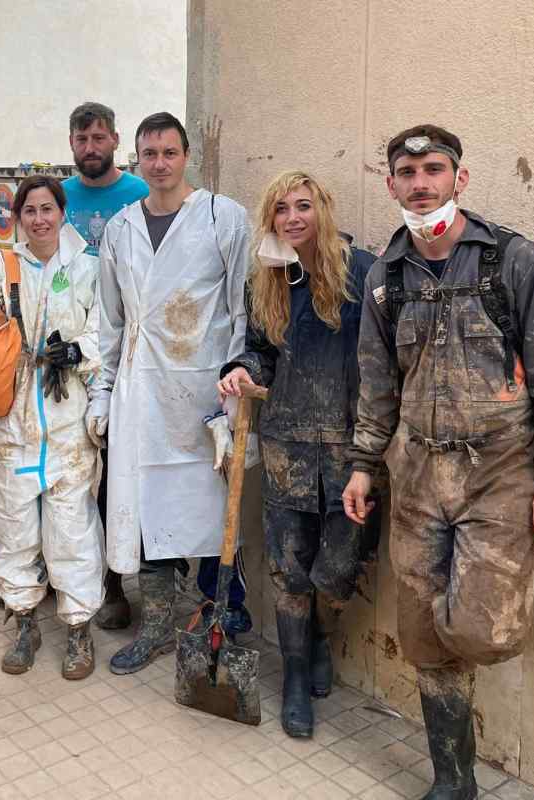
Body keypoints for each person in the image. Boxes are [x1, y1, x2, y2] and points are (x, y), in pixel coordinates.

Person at [343, 125, 534, 799]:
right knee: (422, 637)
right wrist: (365, 464)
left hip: (499, 479)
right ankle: (452, 782)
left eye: (433, 168)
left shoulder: (514, 263)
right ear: (389, 183)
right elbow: (375, 380)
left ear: (460, 178)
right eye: (406, 171)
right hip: (417, 477)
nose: (420, 183)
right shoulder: (386, 275)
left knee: (480, 630)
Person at [218, 170, 376, 738]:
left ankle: (319, 641)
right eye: (281, 209)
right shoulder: (269, 279)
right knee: (288, 570)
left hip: (351, 451)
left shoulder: (366, 274)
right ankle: (292, 676)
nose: (292, 218)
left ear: (324, 209)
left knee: (337, 568)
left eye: (303, 205)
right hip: (287, 444)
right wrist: (242, 370)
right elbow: (260, 351)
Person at [93, 112, 251, 675]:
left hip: (205, 393)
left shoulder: (222, 218)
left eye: (168, 153)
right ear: (136, 159)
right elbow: (109, 322)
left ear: (187, 156)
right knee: (145, 513)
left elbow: (241, 308)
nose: (158, 164)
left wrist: (236, 386)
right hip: (139, 395)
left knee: (211, 514)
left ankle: (221, 623)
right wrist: (102, 391)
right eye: (149, 154)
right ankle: (157, 626)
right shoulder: (120, 229)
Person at [0, 175, 104, 680]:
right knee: (13, 531)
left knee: (72, 531)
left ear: (62, 212)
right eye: (29, 210)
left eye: (47, 209)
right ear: (18, 217)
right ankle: (25, 620)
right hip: (8, 422)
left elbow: (108, 328)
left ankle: (77, 628)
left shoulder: (90, 267)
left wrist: (80, 352)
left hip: (67, 421)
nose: (39, 219)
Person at [62, 101, 148, 630]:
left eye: (99, 138)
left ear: (115, 139)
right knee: (67, 471)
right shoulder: (58, 198)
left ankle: (114, 583)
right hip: (63, 354)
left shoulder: (138, 195)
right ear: (71, 142)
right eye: (81, 139)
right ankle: (65, 576)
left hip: (122, 347)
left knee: (115, 470)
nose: (90, 148)